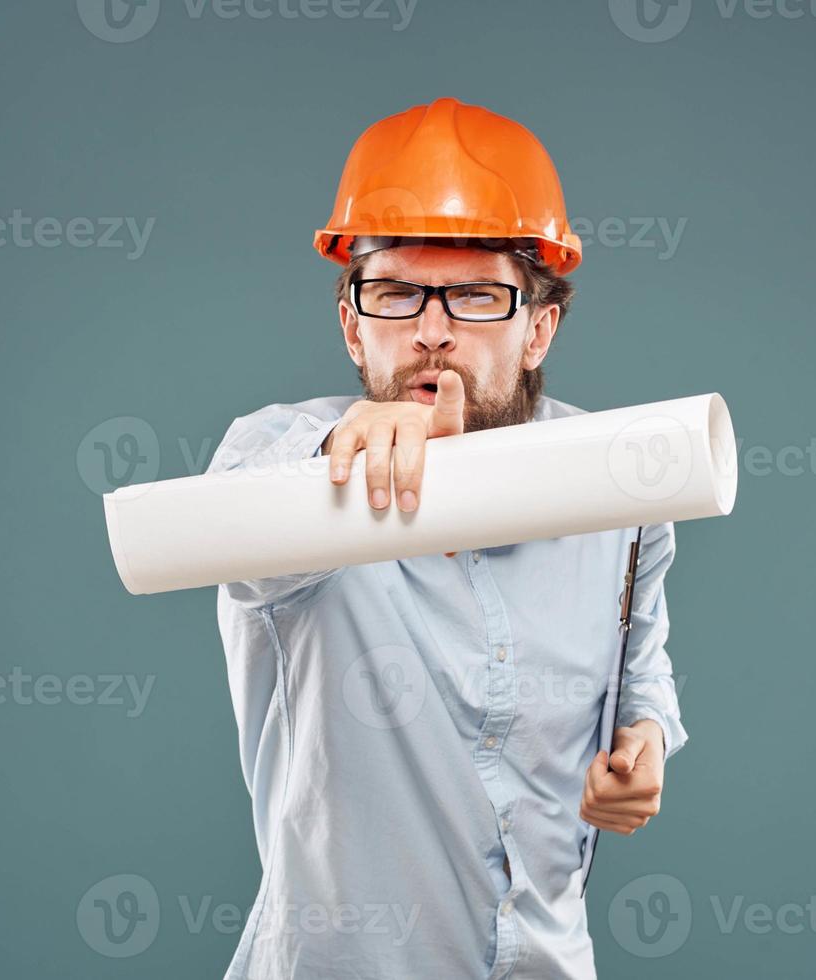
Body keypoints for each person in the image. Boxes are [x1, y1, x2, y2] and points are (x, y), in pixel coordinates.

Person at [209, 97, 687, 979]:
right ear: (353, 322)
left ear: (539, 327)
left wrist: (646, 738)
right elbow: (227, 520)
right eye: (395, 293)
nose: (431, 330)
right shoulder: (282, 464)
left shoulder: (616, 486)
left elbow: (641, 667)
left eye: (473, 295)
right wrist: (334, 461)